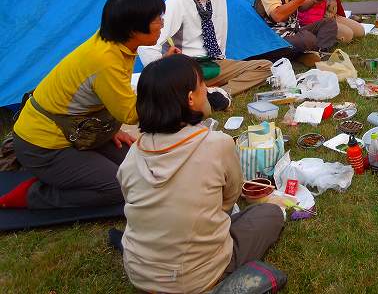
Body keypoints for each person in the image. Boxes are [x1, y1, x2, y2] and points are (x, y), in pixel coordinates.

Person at [116, 54, 284, 294]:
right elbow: (229, 201)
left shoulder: (134, 152)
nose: (208, 89)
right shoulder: (218, 144)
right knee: (269, 214)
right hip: (195, 278)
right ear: (190, 98)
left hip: (139, 273)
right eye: (202, 85)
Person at [2, 0, 178, 210]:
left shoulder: (116, 42)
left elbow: (101, 95)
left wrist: (112, 129)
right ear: (133, 28)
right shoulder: (105, 60)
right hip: (43, 145)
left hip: (78, 132)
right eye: (156, 19)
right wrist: (171, 86)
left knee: (138, 170)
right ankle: (33, 195)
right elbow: (132, 114)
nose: (162, 24)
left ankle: (70, 174)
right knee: (119, 188)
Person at [138, 0, 271, 100]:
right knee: (178, 84)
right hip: (189, 69)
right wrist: (161, 71)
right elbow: (146, 45)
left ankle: (216, 94)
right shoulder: (177, 2)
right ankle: (202, 93)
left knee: (265, 67)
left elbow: (220, 31)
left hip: (215, 63)